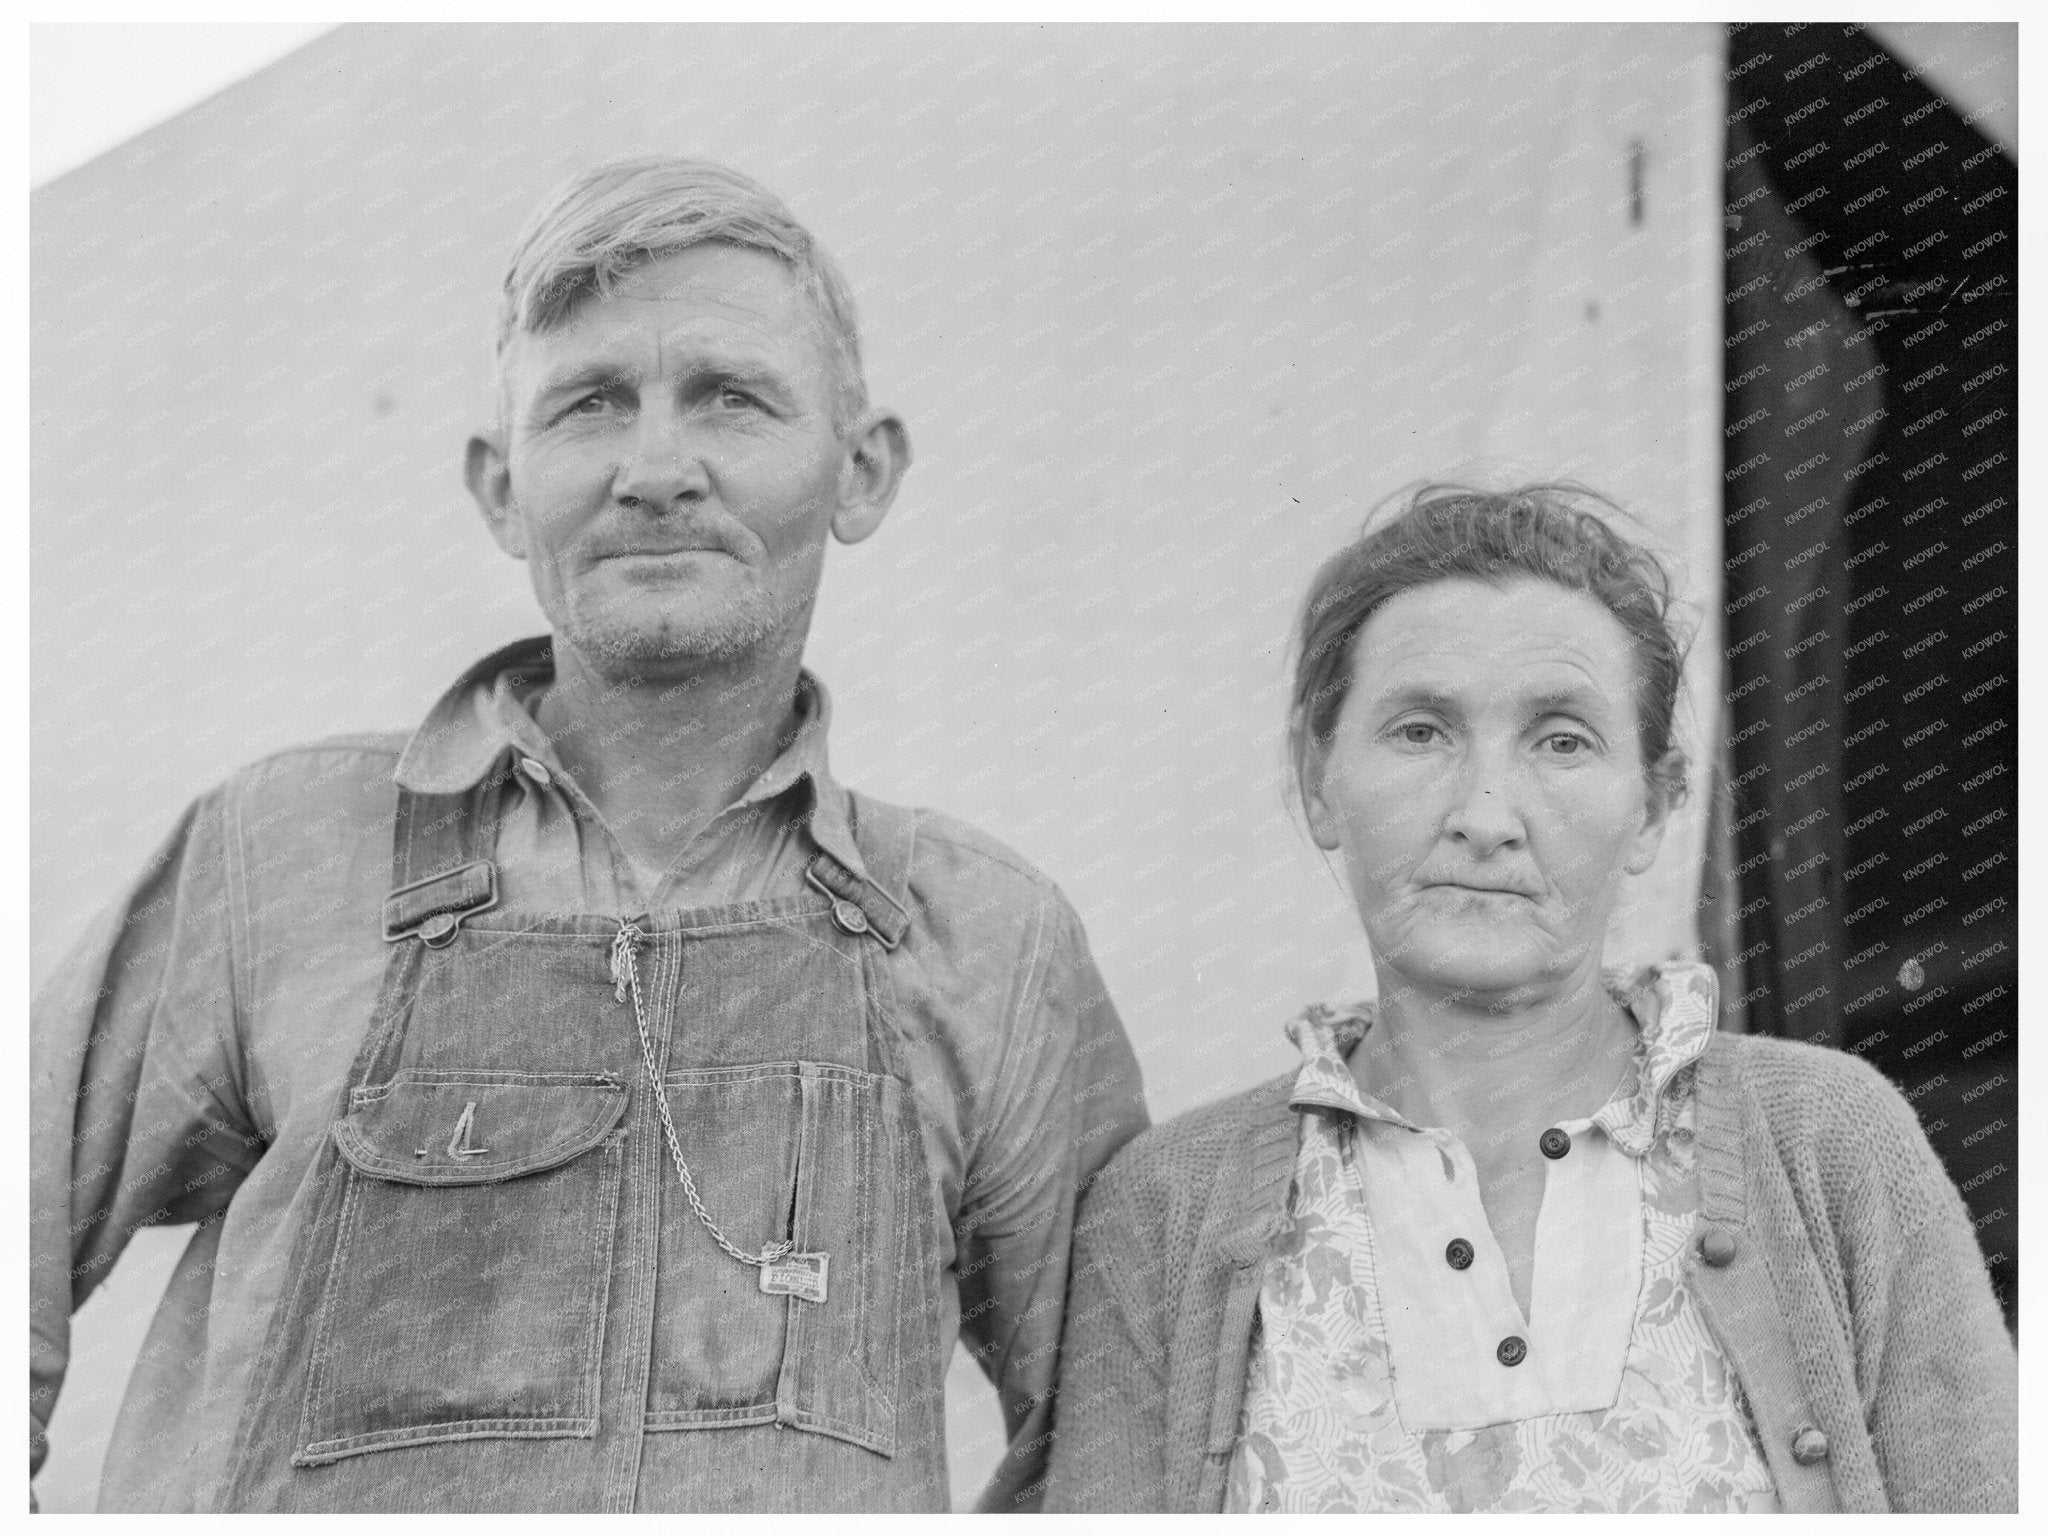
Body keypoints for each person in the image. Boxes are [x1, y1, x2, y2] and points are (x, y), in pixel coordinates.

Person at [31, 156, 1147, 1513]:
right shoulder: (279, 853)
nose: (656, 469)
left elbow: (1118, 1451)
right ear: (502, 489)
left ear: (862, 471)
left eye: (729, 398)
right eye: (589, 404)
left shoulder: (992, 942)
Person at [1044, 483, 2016, 1513]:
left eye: (1560, 739)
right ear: (1315, 777)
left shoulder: (1828, 1145)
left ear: (1654, 804)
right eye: (1420, 731)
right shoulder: (1165, 1213)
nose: (1484, 814)